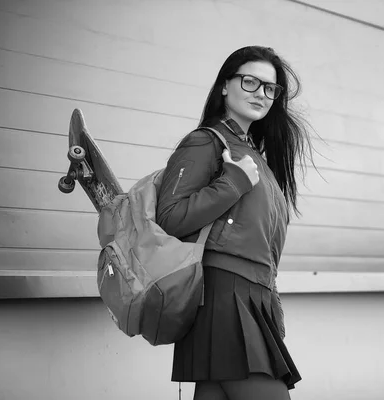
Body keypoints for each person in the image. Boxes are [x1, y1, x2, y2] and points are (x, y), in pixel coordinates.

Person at [156, 46, 314, 400]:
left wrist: (270, 297)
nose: (261, 93)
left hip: (252, 294)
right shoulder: (204, 142)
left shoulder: (254, 155)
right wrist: (234, 183)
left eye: (270, 88)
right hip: (223, 293)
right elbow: (169, 218)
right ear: (225, 86)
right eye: (250, 81)